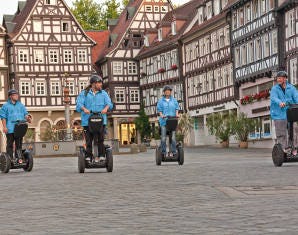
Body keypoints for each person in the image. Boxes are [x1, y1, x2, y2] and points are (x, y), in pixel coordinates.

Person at [76, 75, 113, 162]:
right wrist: (84, 109)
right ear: (93, 84)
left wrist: (105, 108)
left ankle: (101, 156)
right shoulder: (84, 93)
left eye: (101, 83)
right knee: (89, 140)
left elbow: (109, 104)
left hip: (100, 121)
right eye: (99, 83)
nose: (101, 85)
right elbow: (79, 104)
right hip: (87, 122)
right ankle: (88, 156)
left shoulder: (103, 93)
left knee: (100, 139)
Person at [270, 70, 298, 155]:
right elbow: (274, 98)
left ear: (285, 78)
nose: (278, 80)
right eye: (277, 78)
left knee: (295, 130)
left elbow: (296, 97)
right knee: (281, 132)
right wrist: (280, 102)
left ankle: (294, 148)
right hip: (279, 114)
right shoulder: (274, 89)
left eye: (280, 78)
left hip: (291, 113)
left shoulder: (291, 88)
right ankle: (285, 148)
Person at [0, 89, 31, 162]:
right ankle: (10, 159)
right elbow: (3, 117)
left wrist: (28, 118)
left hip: (19, 128)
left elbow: (25, 114)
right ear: (10, 96)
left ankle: (18, 158)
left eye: (17, 94)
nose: (17, 96)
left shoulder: (21, 105)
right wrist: (4, 127)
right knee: (10, 144)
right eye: (15, 95)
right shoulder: (5, 106)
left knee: (19, 144)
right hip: (10, 128)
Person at [157, 85, 179, 157]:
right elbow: (159, 111)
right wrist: (162, 115)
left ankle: (174, 152)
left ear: (170, 92)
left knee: (173, 138)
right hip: (164, 122)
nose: (167, 92)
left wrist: (177, 114)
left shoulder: (174, 100)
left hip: (172, 121)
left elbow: (176, 108)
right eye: (166, 91)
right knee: (163, 138)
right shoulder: (161, 101)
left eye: (169, 91)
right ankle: (163, 152)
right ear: (164, 92)